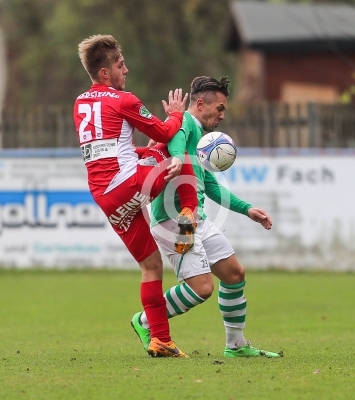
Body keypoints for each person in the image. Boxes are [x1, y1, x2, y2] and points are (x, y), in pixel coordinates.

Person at [131, 76, 283, 358]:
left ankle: (235, 345)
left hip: (196, 218)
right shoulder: (185, 124)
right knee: (201, 288)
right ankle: (144, 321)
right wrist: (176, 158)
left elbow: (210, 185)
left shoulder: (200, 138)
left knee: (234, 274)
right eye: (221, 108)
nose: (223, 115)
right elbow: (175, 141)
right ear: (200, 104)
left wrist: (246, 209)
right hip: (174, 221)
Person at [73, 34, 198, 358]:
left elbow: (111, 150)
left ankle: (161, 340)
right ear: (105, 73)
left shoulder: (80, 103)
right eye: (120, 64)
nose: (125, 70)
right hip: (128, 184)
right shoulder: (122, 100)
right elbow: (165, 131)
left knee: (151, 265)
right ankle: (189, 211)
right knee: (172, 153)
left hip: (106, 197)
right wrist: (175, 113)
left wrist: (149, 150)